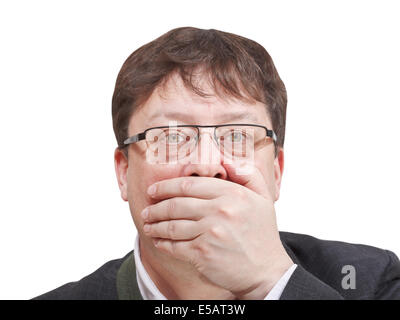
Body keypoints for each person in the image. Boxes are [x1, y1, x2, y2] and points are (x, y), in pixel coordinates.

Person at [34, 27, 400, 300]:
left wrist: (272, 281)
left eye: (238, 136)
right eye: (173, 137)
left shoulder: (370, 282)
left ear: (275, 172)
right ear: (124, 171)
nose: (208, 166)